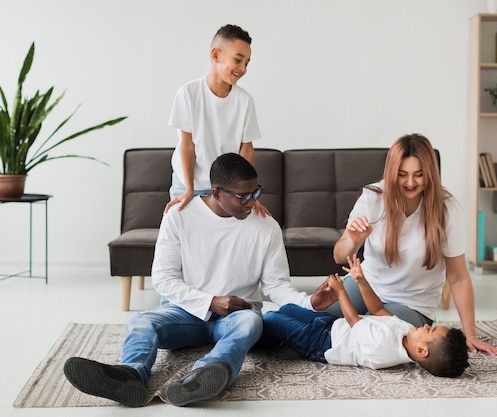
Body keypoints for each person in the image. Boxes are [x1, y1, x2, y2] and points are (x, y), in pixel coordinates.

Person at [63, 153, 336, 407]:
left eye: (256, 193)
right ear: (216, 192)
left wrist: (308, 301)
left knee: (251, 321)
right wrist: (210, 301)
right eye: (243, 196)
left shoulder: (267, 226)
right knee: (141, 321)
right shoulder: (179, 217)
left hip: (236, 315)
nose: (252, 202)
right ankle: (130, 375)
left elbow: (276, 285)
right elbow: (163, 278)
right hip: (186, 311)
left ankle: (205, 375)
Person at [328, 133, 497, 356]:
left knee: (381, 338)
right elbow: (339, 256)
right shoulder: (373, 197)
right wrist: (353, 239)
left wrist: (470, 335)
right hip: (367, 285)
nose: (410, 183)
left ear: (430, 173)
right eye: (402, 175)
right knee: (322, 314)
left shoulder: (447, 209)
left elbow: (458, 277)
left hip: (412, 305)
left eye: (418, 175)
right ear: (392, 173)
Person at [262, 255, 469, 377]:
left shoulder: (384, 347)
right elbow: (378, 310)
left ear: (421, 350)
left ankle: (267, 340)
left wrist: (341, 290)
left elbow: (354, 320)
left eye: (430, 330)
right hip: (332, 325)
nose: (425, 326)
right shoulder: (406, 332)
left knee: (271, 318)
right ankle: (280, 338)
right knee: (287, 308)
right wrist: (361, 281)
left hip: (320, 343)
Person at [165, 24, 269, 216]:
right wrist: (189, 189)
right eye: (238, 60)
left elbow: (246, 150)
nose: (243, 68)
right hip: (188, 184)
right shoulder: (188, 94)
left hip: (227, 191)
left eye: (247, 63)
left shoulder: (244, 101)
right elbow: (187, 146)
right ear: (215, 55)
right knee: (183, 238)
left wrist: (249, 195)